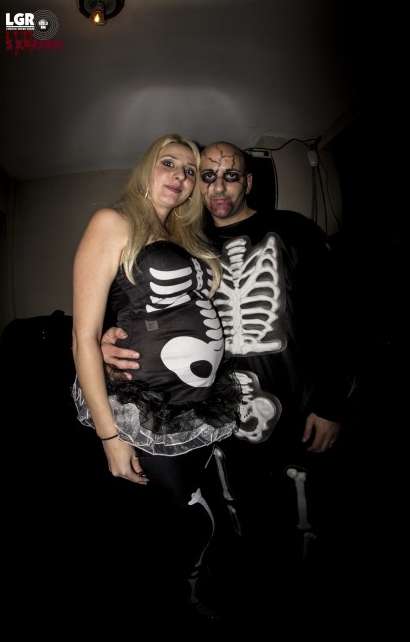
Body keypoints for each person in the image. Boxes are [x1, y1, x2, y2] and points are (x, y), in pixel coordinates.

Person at [100, 140, 357, 622]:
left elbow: (336, 315)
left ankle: (313, 602)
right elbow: (145, 307)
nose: (218, 187)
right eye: (208, 176)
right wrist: (107, 340)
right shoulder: (187, 244)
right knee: (237, 513)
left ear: (249, 182)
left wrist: (331, 402)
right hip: (217, 411)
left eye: (231, 176)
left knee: (309, 511)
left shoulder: (293, 229)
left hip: (297, 401)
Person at [71, 134, 241, 622]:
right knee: (182, 517)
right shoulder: (113, 222)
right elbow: (84, 337)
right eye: (170, 163)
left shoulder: (187, 237)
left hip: (198, 404)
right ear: (147, 168)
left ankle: (185, 592)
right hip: (146, 403)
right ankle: (169, 604)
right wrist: (110, 437)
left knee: (185, 516)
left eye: (189, 171)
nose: (181, 177)